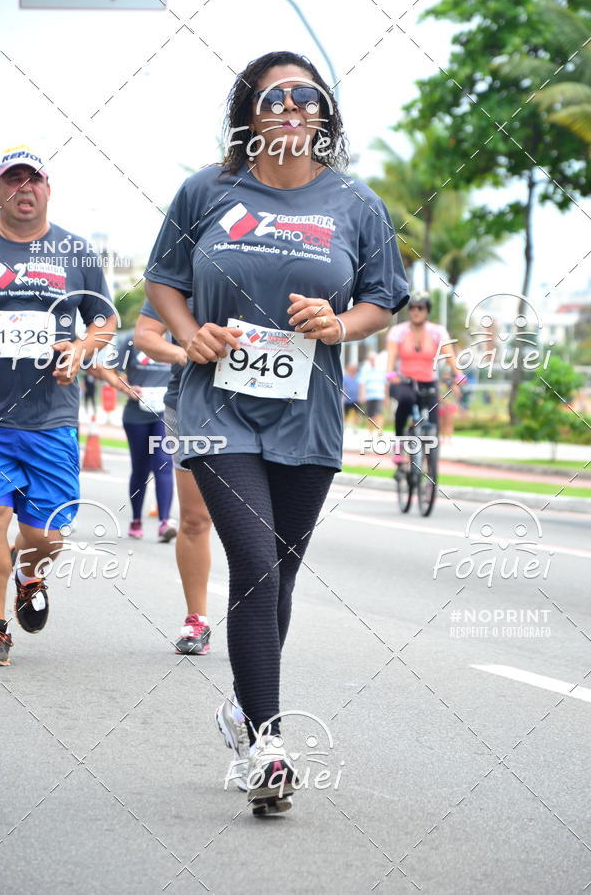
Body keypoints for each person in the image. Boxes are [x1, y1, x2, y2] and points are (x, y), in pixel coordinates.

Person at [145, 51, 409, 812]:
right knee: (256, 566)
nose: (292, 106)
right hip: (216, 409)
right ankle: (267, 744)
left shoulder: (356, 204)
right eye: (274, 97)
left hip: (309, 414)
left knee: (280, 576)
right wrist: (189, 331)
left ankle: (242, 707)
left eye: (308, 96)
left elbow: (382, 298)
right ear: (250, 114)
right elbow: (162, 278)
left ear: (323, 115)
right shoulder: (207, 190)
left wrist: (340, 322)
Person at [0, 146, 116, 666]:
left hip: (52, 417)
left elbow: (104, 320)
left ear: (48, 188)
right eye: (12, 180)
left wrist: (82, 349)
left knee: (46, 535)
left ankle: (29, 569)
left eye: (34, 179)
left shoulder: (77, 253)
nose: (25, 188)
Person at [133, 301, 213, 655]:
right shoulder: (179, 267)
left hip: (270, 403)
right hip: (190, 402)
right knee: (195, 519)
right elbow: (145, 336)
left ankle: (263, 617)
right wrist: (184, 353)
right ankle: (197, 619)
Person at [90, 332, 178, 543]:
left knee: (163, 463)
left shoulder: (178, 337)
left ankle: (164, 522)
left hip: (166, 414)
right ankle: (136, 519)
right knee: (140, 468)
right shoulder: (133, 339)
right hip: (136, 415)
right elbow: (106, 368)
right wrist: (125, 388)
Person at [386, 292, 463, 463]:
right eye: (412, 307)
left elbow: (449, 355)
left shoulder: (437, 331)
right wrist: (390, 373)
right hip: (405, 381)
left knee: (433, 424)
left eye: (420, 307)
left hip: (429, 381)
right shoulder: (398, 331)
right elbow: (391, 355)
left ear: (427, 310)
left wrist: (457, 373)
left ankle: (430, 470)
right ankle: (399, 444)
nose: (416, 311)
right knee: (406, 400)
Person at [358, 350, 386, 429]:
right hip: (369, 395)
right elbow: (362, 383)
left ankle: (379, 430)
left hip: (379, 394)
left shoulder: (381, 369)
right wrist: (361, 395)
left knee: (378, 413)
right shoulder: (365, 369)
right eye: (371, 359)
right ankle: (370, 431)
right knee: (370, 414)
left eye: (374, 359)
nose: (372, 360)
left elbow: (385, 383)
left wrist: (386, 396)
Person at [342, 363, 360, 427]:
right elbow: (343, 387)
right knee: (345, 412)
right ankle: (344, 425)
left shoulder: (358, 376)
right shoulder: (345, 377)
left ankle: (356, 426)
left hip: (356, 398)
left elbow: (360, 386)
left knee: (357, 413)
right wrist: (343, 396)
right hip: (347, 399)